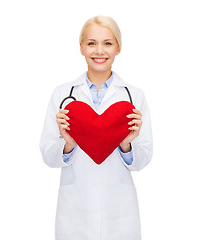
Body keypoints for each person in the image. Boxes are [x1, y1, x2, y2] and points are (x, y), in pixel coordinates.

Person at [39, 15, 153, 240]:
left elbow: (144, 158)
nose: (99, 51)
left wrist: (126, 143)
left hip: (119, 213)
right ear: (81, 48)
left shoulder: (133, 96)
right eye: (91, 43)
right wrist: (68, 144)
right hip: (75, 212)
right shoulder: (63, 95)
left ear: (118, 48)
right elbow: (47, 154)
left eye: (107, 43)